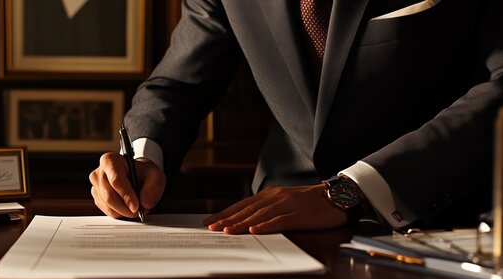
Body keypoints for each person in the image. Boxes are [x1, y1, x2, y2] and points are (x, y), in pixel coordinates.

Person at [90, 0, 503, 234]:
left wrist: (350, 190)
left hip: (437, 226)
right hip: (267, 227)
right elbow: (177, 85)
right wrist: (143, 158)